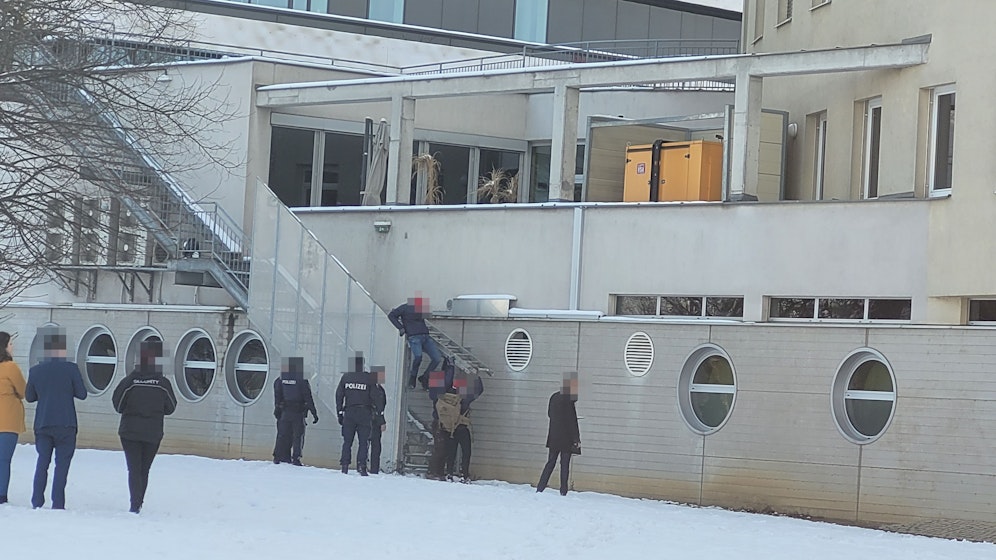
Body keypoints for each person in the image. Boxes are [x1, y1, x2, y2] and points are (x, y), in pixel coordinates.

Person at [111, 339, 177, 513]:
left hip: (129, 432)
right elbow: (171, 408)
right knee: (144, 469)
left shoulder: (130, 382)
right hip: (153, 433)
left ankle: (134, 504)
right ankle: (139, 502)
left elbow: (117, 405)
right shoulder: (163, 384)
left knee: (133, 468)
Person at [25, 325, 86, 510]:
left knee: (42, 462)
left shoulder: (36, 370)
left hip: (43, 422)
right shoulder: (71, 369)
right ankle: (58, 503)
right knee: (62, 465)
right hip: (66, 424)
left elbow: (29, 397)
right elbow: (82, 394)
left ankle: (37, 501)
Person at [536, 371, 581, 496]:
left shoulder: (554, 397)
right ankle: (563, 490)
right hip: (566, 438)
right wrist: (576, 439)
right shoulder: (569, 401)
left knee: (550, 462)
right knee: (564, 465)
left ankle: (541, 487)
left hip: (554, 436)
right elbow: (572, 421)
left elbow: (550, 414)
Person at [388, 294, 442, 389]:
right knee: (418, 356)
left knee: (437, 358)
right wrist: (400, 328)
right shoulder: (404, 308)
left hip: (425, 336)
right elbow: (391, 315)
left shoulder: (419, 309)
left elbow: (426, 317)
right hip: (414, 337)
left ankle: (425, 377)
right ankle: (413, 377)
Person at [439, 369, 484, 483]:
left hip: (448, 428)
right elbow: (480, 390)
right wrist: (476, 376)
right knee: (466, 452)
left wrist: (447, 367)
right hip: (462, 428)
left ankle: (449, 473)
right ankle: (465, 475)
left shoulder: (446, 395)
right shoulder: (464, 397)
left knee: (451, 452)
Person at [272, 357, 318, 466]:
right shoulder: (302, 380)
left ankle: (278, 456)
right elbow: (308, 397)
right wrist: (314, 413)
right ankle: (296, 458)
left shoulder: (280, 379)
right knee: (298, 435)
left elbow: (277, 395)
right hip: (298, 412)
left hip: (285, 412)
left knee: (282, 434)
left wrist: (277, 410)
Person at [336, 352, 374, 476]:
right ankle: (362, 466)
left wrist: (340, 412)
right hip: (364, 412)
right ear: (363, 365)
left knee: (347, 441)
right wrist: (377, 412)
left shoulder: (346, 377)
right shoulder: (368, 378)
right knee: (363, 442)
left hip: (349, 412)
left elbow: (339, 395)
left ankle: (345, 465)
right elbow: (375, 396)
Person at [0, 332, 26, 504]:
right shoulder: (11, 367)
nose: (12, 346)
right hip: (7, 420)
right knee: (3, 460)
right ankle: (2, 494)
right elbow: (23, 391)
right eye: (10, 343)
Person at [368, 365, 387, 474]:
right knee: (371, 445)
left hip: (375, 420)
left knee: (375, 445)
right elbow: (378, 407)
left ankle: (374, 467)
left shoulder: (380, 389)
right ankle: (370, 467)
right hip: (373, 420)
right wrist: (382, 421)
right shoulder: (376, 390)